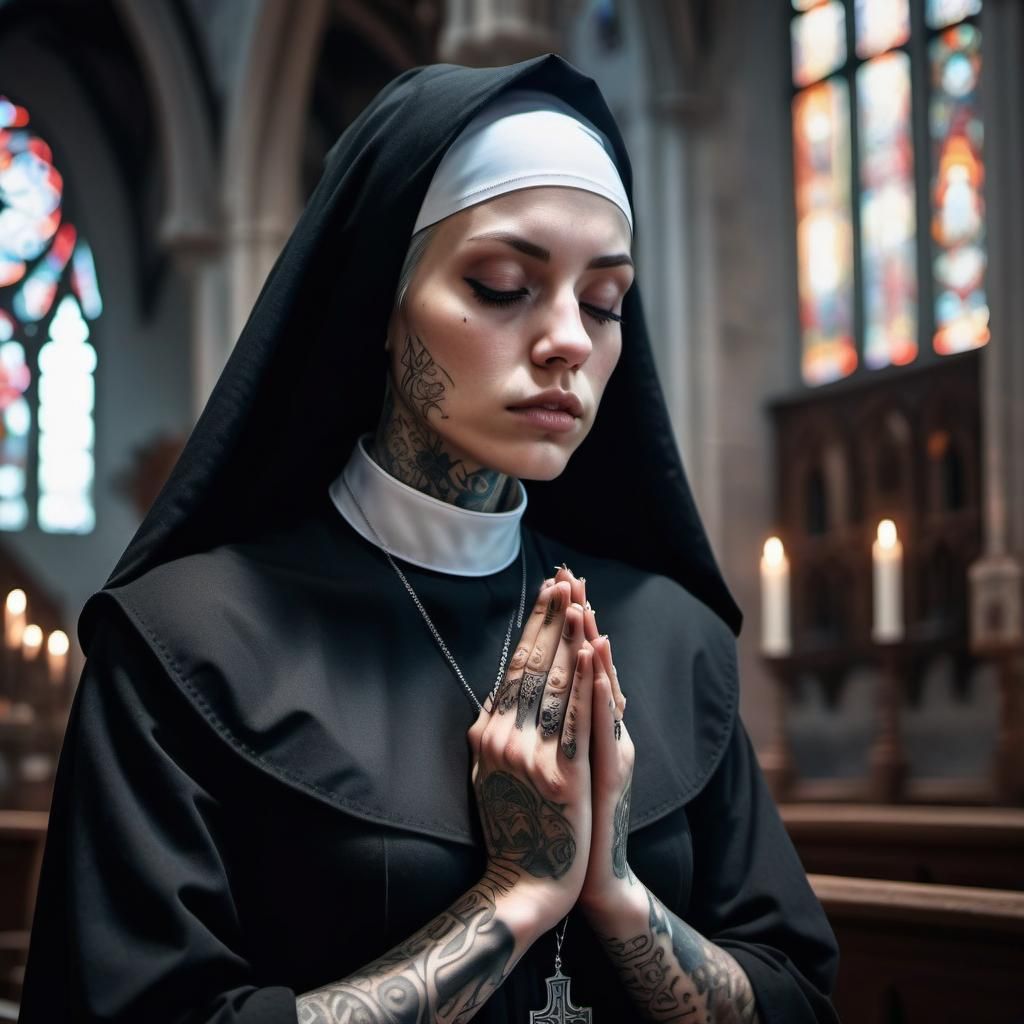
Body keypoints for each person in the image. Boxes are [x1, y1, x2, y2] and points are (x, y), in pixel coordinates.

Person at [20, 55, 839, 1023]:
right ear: (381, 297)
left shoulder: (672, 635)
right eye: (501, 285)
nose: (571, 340)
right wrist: (510, 902)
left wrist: (618, 895)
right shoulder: (184, 644)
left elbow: (794, 995)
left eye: (605, 301)